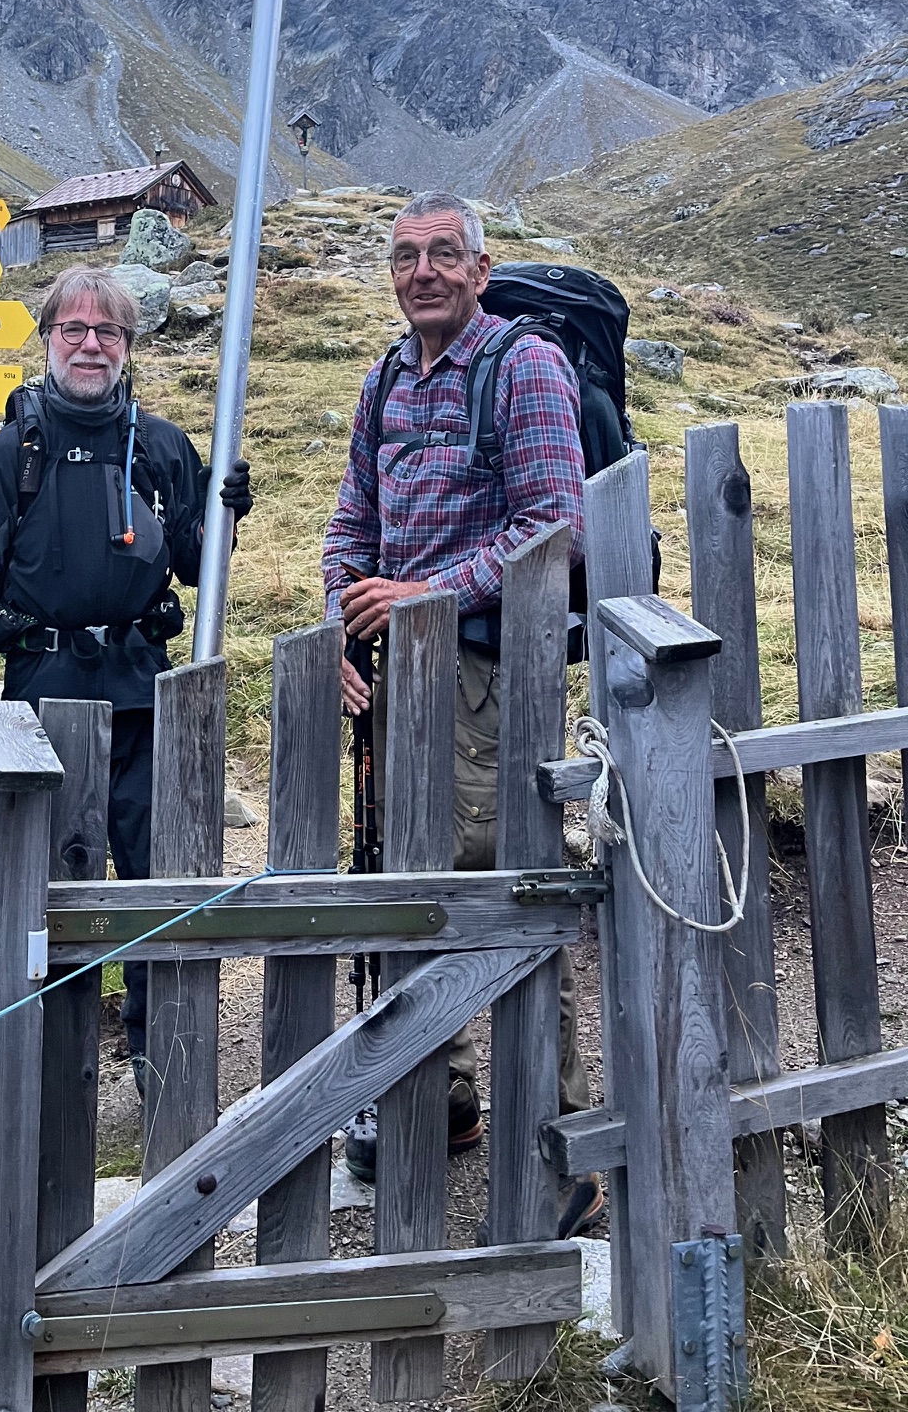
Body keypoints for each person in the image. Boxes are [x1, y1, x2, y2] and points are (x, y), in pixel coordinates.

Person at [322, 189, 601, 1238]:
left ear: (481, 270)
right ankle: (440, 1109)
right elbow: (353, 516)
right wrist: (346, 625)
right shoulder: (385, 377)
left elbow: (554, 526)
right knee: (401, 883)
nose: (423, 271)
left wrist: (424, 597)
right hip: (396, 680)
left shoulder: (523, 366)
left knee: (495, 894)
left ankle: (565, 1143)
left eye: (444, 254)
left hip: (486, 684)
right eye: (405, 256)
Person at [0, 263, 252, 1090]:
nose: (90, 344)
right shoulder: (12, 454)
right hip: (42, 697)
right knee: (50, 887)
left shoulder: (163, 448)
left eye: (107, 331)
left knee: (156, 876)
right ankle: (51, 1064)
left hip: (144, 695)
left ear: (128, 346)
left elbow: (195, 567)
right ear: (48, 340)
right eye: (73, 329)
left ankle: (162, 1060)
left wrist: (225, 515)